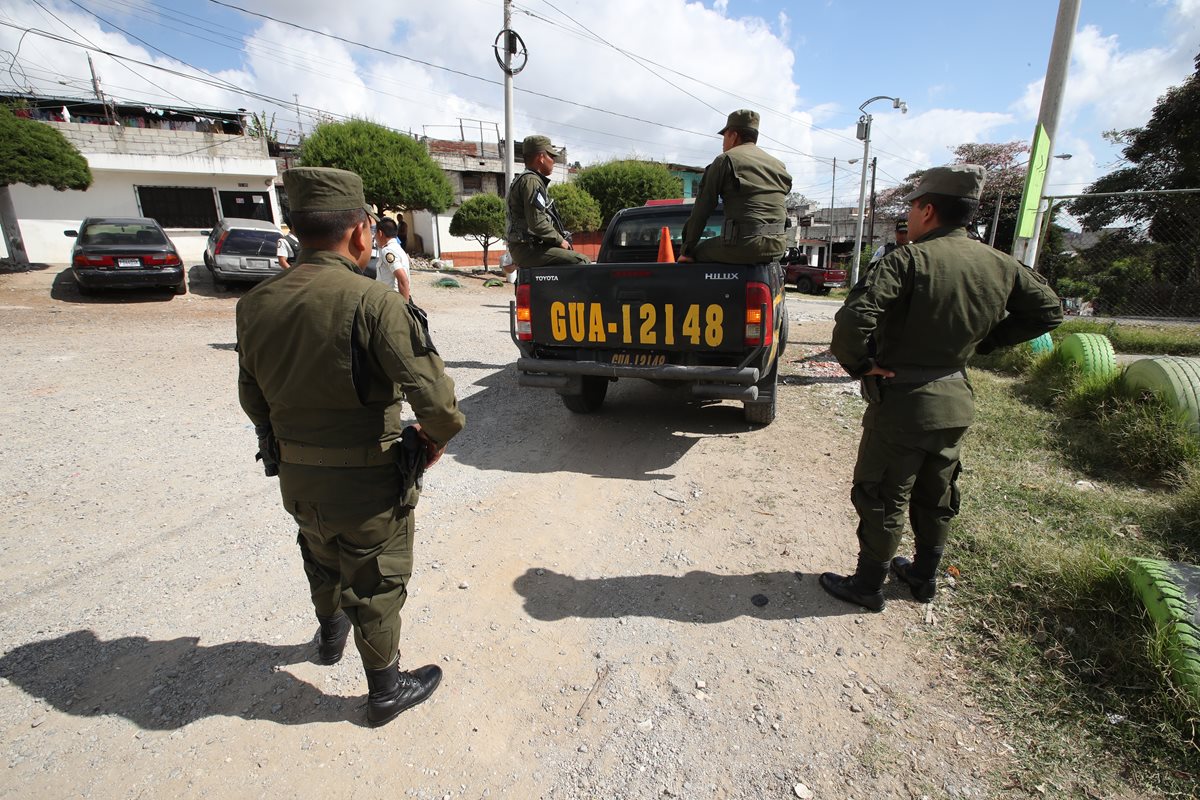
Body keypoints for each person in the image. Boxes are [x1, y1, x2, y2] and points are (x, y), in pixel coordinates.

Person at [235, 167, 466, 725]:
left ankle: (330, 635)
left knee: (319, 555)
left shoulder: (255, 303)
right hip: (368, 484)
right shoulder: (373, 303)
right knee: (376, 579)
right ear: (362, 233)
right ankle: (385, 689)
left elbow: (252, 398)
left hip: (297, 477)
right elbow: (441, 410)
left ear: (297, 229)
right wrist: (427, 442)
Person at [821, 164, 1062, 613]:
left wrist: (862, 364)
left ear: (928, 209)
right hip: (956, 399)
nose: (909, 217)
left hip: (903, 404)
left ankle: (868, 586)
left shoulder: (907, 260)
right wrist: (987, 341)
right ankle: (924, 578)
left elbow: (853, 320)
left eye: (912, 207)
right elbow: (1049, 311)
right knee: (937, 492)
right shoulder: (1001, 263)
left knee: (883, 493)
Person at [678, 109, 792, 265]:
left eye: (724, 136)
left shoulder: (725, 160)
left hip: (745, 246)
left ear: (734, 135)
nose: (723, 143)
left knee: (696, 253)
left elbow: (702, 210)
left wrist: (687, 250)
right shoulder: (778, 165)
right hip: (778, 247)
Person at [505, 135, 590, 266]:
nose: (553, 161)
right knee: (582, 261)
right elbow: (537, 222)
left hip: (526, 247)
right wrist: (560, 241)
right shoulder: (532, 181)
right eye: (551, 156)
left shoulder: (525, 179)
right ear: (541, 157)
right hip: (528, 249)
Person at [374, 216, 412, 299]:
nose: (375, 237)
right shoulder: (398, 249)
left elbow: (403, 280)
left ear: (380, 233)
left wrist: (404, 307)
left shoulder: (387, 251)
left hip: (391, 300)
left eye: (375, 234)